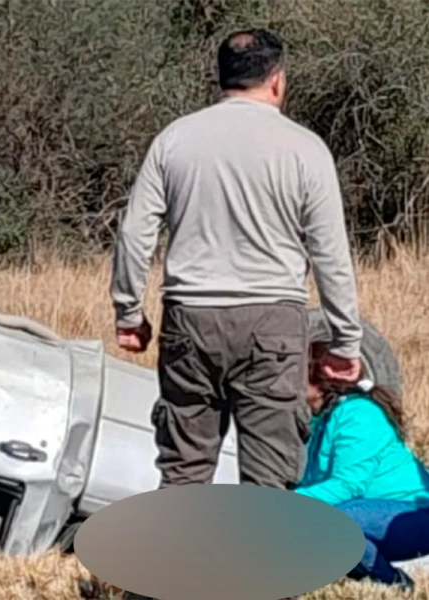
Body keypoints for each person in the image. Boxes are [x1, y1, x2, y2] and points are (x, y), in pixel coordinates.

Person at [110, 28, 365, 491]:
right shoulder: (305, 149)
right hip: (273, 325)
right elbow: (331, 256)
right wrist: (346, 341)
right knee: (268, 482)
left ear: (221, 78)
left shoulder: (174, 140)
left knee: (184, 472)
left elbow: (134, 233)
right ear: (277, 81)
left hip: (190, 321)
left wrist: (129, 312)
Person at [295, 335, 429, 592]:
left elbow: (348, 485)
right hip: (365, 513)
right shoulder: (319, 420)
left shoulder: (359, 415)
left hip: (412, 515)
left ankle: (397, 585)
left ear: (319, 383)